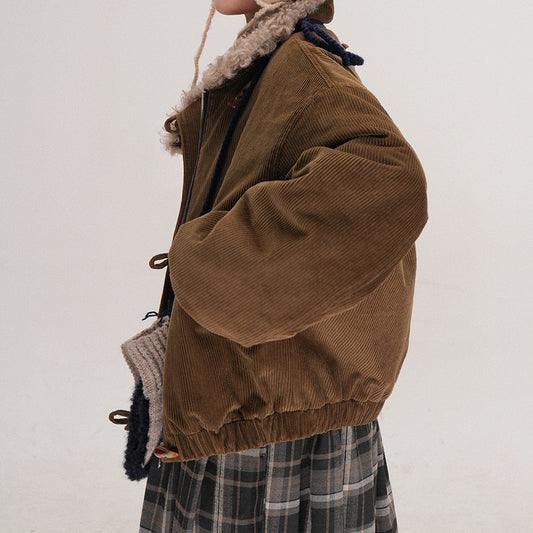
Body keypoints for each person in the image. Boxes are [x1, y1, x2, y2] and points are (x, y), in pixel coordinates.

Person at [137, 0, 428, 531]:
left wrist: (212, 268)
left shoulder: (303, 66)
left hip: (271, 420)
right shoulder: (268, 66)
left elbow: (389, 180)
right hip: (252, 397)